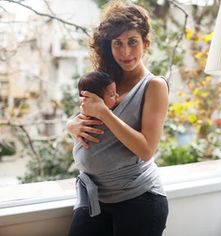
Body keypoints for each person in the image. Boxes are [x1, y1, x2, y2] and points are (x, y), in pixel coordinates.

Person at [67, 1, 169, 235]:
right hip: (95, 198)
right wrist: (70, 125)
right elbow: (84, 116)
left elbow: (146, 149)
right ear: (108, 46)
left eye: (132, 42)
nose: (125, 52)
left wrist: (104, 112)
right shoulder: (105, 79)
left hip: (140, 200)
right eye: (117, 43)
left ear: (145, 42)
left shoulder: (154, 86)